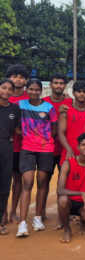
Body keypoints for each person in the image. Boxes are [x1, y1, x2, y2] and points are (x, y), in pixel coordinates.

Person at [16, 79, 58, 237]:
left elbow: (54, 128)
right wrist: (28, 136)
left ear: (41, 91)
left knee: (42, 182)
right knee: (27, 182)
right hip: (27, 148)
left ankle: (37, 218)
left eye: (37, 89)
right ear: (27, 90)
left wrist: (43, 139)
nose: (34, 92)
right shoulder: (20, 105)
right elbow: (16, 126)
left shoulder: (49, 107)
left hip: (46, 149)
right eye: (31, 89)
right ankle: (22, 223)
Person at [57, 82, 85, 229]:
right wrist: (68, 148)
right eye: (79, 92)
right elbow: (60, 132)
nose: (82, 94)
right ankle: (60, 217)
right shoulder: (66, 111)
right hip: (70, 153)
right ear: (74, 93)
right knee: (65, 183)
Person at [42, 73, 73, 219]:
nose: (59, 85)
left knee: (66, 183)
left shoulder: (70, 102)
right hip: (46, 150)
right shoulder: (42, 102)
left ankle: (64, 215)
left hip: (65, 151)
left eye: (61, 83)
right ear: (50, 85)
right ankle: (40, 213)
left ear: (65, 86)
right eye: (56, 83)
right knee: (44, 181)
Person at [3, 64, 30, 226]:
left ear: (26, 79)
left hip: (23, 146)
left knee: (18, 179)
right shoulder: (4, 96)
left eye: (21, 77)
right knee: (4, 180)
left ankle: (13, 212)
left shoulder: (30, 98)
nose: (18, 80)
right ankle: (3, 212)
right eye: (14, 76)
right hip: (4, 146)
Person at [0, 79, 22, 235]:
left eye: (10, 89)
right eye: (4, 88)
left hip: (7, 148)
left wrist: (37, 134)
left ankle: (1, 219)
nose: (7, 91)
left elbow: (19, 130)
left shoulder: (15, 108)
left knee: (4, 185)